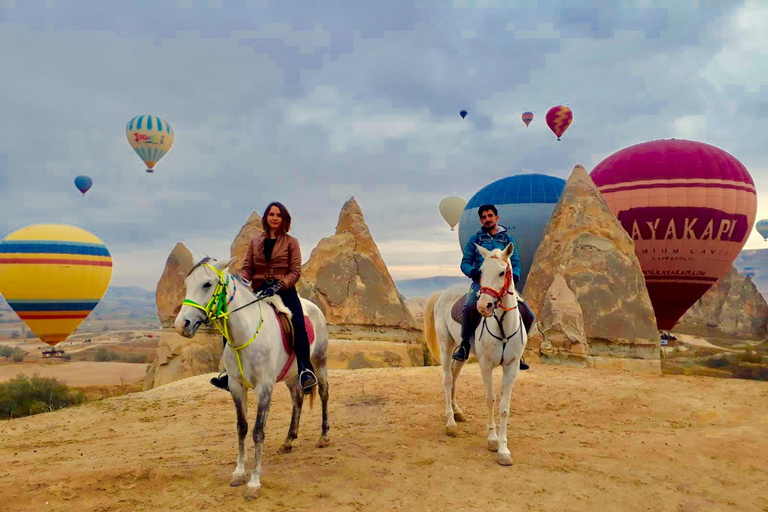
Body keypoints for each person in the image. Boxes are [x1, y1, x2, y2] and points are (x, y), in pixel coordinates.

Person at [210, 202, 318, 393]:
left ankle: (304, 369)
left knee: (298, 323)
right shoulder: (255, 242)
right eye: (271, 214)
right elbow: (247, 267)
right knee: (231, 321)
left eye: (278, 215)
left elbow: (294, 272)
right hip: (259, 291)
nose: (275, 218)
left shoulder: (292, 242)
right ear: (266, 218)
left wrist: (279, 285)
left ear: (284, 219)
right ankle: (229, 373)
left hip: (284, 291)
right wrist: (243, 279)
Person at [452, 204, 534, 368]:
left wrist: (515, 275)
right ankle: (465, 345)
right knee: (469, 307)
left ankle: (519, 351)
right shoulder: (475, 239)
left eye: (490, 216)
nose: (487, 219)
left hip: (502, 282)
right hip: (482, 283)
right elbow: (465, 263)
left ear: (496, 217)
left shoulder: (508, 240)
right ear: (480, 220)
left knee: (528, 313)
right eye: (484, 217)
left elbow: (515, 261)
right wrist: (473, 271)